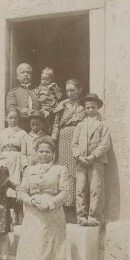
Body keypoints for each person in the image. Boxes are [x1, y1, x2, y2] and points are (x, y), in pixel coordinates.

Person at [12, 137, 69, 260]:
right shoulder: (29, 170)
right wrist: (30, 200)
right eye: (41, 151)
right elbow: (22, 190)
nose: (44, 154)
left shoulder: (60, 169)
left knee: (49, 249)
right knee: (32, 248)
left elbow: (64, 192)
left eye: (48, 151)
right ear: (36, 153)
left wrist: (50, 203)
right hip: (33, 213)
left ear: (53, 153)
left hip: (52, 213)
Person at [72, 93, 111, 226]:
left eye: (92, 107)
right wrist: (79, 156)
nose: (89, 110)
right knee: (81, 189)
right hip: (81, 161)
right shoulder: (80, 125)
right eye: (87, 107)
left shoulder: (102, 124)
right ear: (84, 108)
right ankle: (81, 217)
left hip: (96, 161)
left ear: (97, 108)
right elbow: (74, 143)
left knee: (95, 189)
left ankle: (94, 217)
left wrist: (93, 156)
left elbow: (105, 144)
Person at [51, 78, 85, 222]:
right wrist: (53, 142)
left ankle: (78, 209)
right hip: (64, 140)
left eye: (72, 90)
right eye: (67, 91)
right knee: (65, 172)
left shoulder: (84, 105)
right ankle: (65, 208)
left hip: (79, 140)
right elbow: (56, 125)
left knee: (77, 172)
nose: (69, 93)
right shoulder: (61, 105)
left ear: (79, 90)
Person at [0, 107, 27, 229]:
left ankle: (18, 214)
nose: (13, 120)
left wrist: (24, 165)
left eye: (15, 118)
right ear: (6, 119)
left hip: (17, 160)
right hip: (5, 161)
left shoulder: (22, 133)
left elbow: (23, 151)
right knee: (5, 187)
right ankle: (6, 216)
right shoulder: (2, 133)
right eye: (10, 118)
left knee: (16, 186)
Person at [6, 63, 41, 131]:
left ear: (31, 75)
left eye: (28, 72)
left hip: (37, 127)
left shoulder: (38, 91)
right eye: (22, 72)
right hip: (20, 128)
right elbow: (11, 108)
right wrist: (21, 110)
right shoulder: (13, 93)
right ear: (17, 76)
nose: (25, 74)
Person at [34, 67, 63, 132]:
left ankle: (49, 129)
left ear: (52, 79)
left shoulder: (53, 86)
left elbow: (59, 95)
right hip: (42, 106)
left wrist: (57, 93)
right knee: (42, 118)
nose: (44, 81)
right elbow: (36, 94)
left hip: (50, 106)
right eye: (43, 79)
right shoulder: (39, 88)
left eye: (47, 79)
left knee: (50, 119)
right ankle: (43, 129)